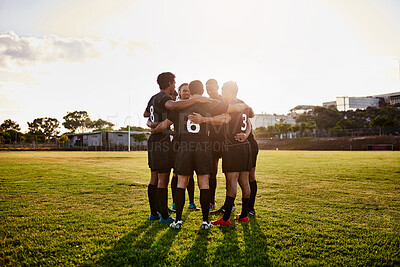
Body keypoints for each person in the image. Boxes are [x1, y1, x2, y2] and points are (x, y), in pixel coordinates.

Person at [151, 80, 249, 230]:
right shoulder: (210, 104)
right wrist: (242, 106)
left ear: (190, 90)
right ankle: (205, 221)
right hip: (203, 147)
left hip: (185, 147)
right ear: (203, 90)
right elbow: (226, 116)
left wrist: (153, 129)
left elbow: (165, 124)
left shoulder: (181, 105)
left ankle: (178, 221)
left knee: (181, 183)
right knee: (204, 182)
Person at [143, 72, 210, 224]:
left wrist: (151, 123)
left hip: (154, 140)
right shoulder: (165, 97)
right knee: (162, 178)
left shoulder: (153, 98)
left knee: (155, 177)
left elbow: (146, 114)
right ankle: (164, 216)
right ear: (169, 83)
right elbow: (174, 106)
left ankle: (155, 213)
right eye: (174, 82)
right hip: (163, 141)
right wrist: (197, 99)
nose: (175, 84)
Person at [189, 81, 252, 225]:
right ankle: (244, 215)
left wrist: (202, 119)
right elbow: (249, 121)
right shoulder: (242, 104)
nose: (222, 94)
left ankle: (225, 219)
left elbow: (224, 119)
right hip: (245, 146)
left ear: (227, 91)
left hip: (233, 147)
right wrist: (246, 134)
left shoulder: (232, 106)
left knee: (231, 183)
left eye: (223, 91)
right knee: (244, 182)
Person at [170, 83, 200, 212]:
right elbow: (168, 122)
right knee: (177, 174)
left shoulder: (196, 106)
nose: (187, 93)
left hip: (193, 144)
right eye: (185, 91)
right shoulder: (177, 107)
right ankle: (175, 203)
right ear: (180, 92)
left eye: (189, 91)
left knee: (190, 174)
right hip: (178, 143)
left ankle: (191, 202)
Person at [205, 79, 225, 210]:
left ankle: (231, 203)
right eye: (208, 89)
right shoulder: (206, 103)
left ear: (218, 87)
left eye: (212, 89)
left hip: (227, 140)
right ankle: (211, 201)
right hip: (212, 140)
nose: (210, 91)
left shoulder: (225, 100)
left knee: (230, 173)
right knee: (212, 172)